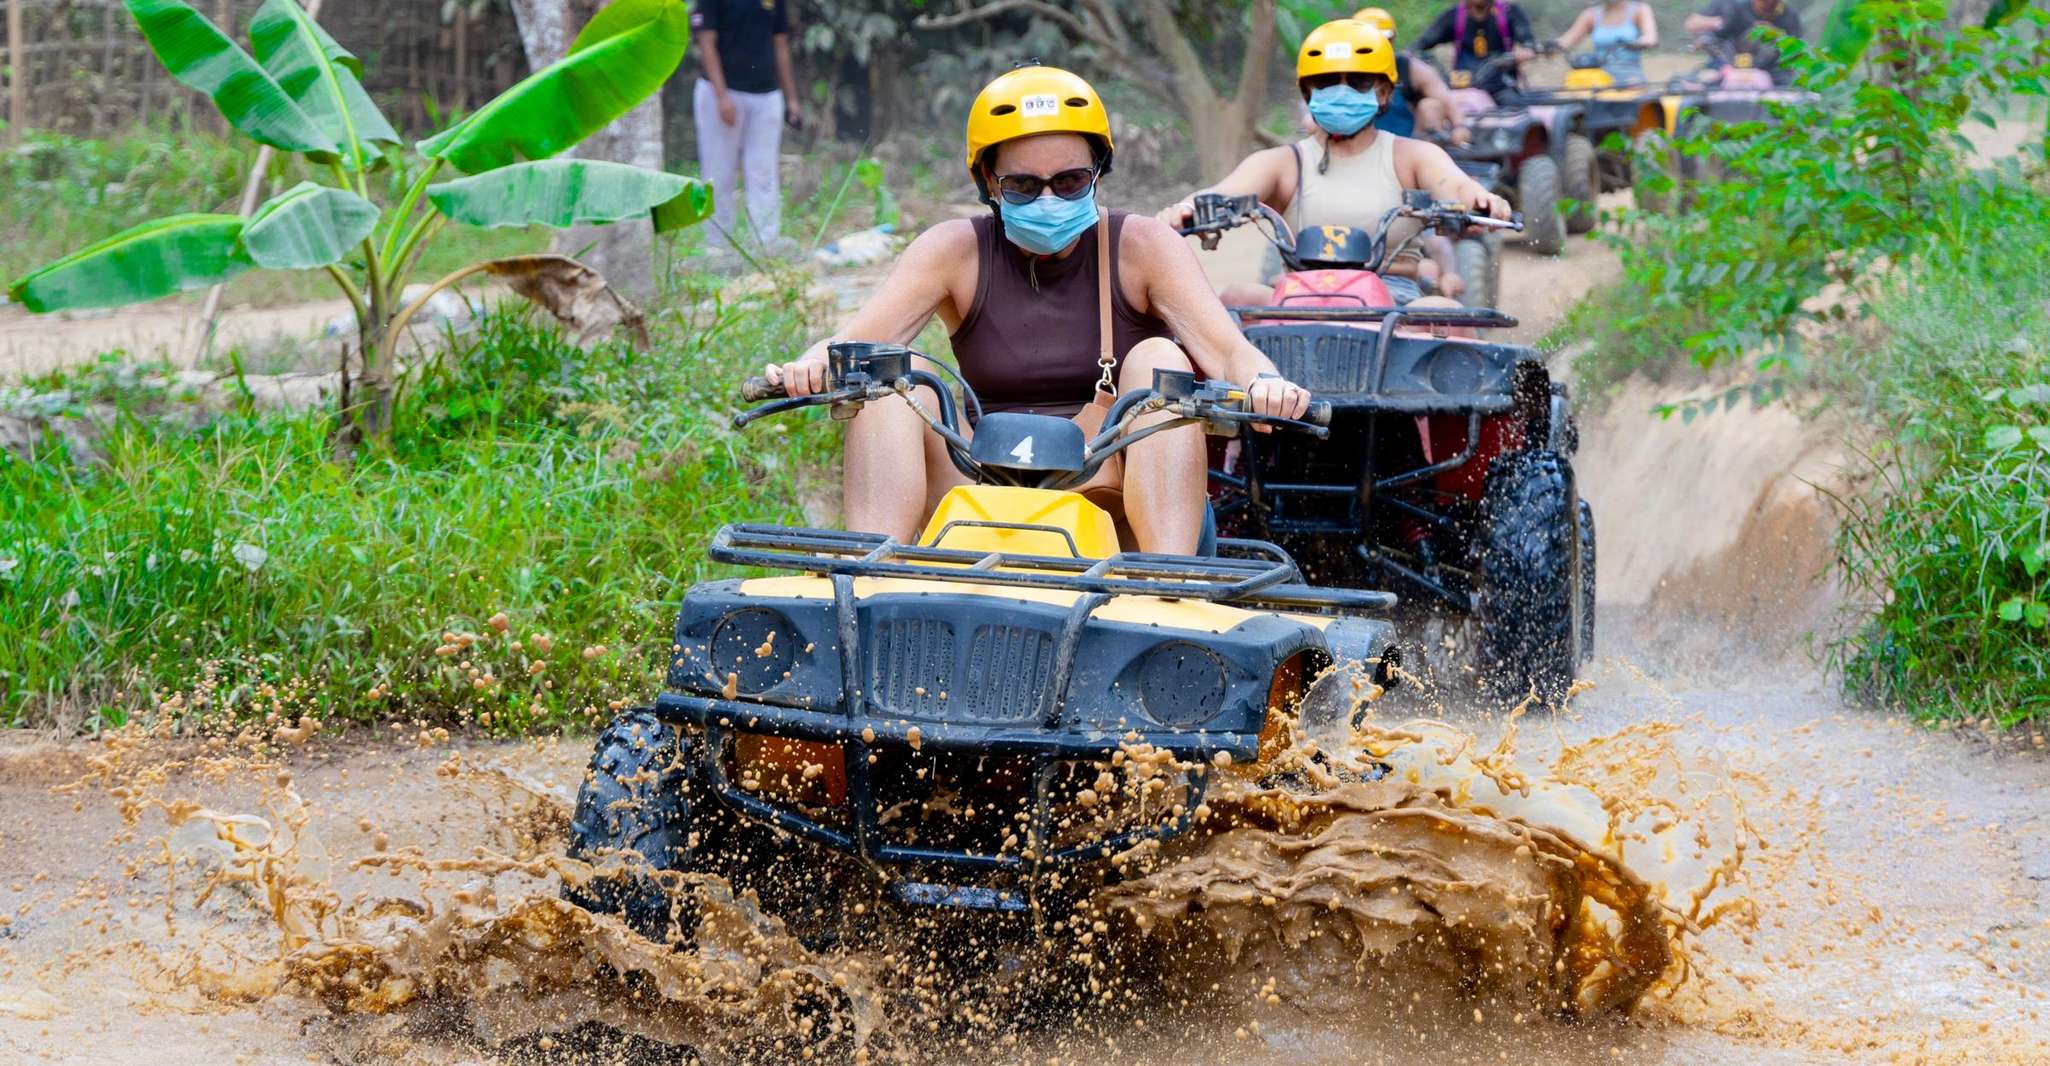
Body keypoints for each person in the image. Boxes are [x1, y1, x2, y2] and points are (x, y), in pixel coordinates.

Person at [762, 66, 1312, 556]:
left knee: (1159, 357)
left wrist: (1264, 382)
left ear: (1097, 173)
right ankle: (870, 588)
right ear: (987, 182)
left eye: (1070, 181)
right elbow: (855, 341)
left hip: (1112, 493)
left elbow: (1227, 349)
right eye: (1024, 185)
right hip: (977, 484)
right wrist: (807, 366)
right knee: (895, 374)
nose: (1049, 200)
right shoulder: (952, 249)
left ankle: (1168, 588)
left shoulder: (1142, 245)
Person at [1157, 19, 1511, 307]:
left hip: (1395, 300)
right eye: (1327, 82)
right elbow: (1223, 193)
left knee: (1441, 311)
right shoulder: (1284, 162)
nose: (1341, 91)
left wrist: (1479, 200)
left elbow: (1454, 185)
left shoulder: (1412, 156)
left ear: (1384, 92)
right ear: (1308, 92)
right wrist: (1186, 210)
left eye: (1358, 82)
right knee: (1235, 298)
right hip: (1296, 298)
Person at [691, 0, 802, 255]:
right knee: (718, 171)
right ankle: (717, 244)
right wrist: (721, 97)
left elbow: (780, 44)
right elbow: (706, 42)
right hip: (721, 92)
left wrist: (792, 99)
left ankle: (766, 240)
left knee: (763, 172)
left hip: (766, 94)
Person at [1352, 7, 1470, 146]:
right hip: (1356, 144)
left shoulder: (1408, 68)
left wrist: (1459, 127)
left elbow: (1446, 98)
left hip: (1405, 144)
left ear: (1392, 39)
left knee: (1431, 106)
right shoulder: (1343, 71)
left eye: (1383, 41)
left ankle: (1427, 159)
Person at [1413, 0, 1539, 97]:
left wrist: (1521, 54)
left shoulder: (1510, 13)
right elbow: (1422, 43)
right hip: (1462, 87)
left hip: (1500, 87)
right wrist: (1412, 57)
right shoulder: (1453, 16)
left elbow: (1528, 44)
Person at [1684, 0, 1803, 84]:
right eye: (1764, 1)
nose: (1769, 3)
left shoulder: (1789, 16)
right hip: (1729, 67)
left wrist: (1776, 35)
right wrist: (1711, 31)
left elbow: (1796, 51)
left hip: (1771, 72)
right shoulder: (1736, 9)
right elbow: (1695, 26)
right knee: (1701, 81)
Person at [1555, 0, 1659, 84]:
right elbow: (1565, 41)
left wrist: (1641, 42)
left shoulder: (1640, 9)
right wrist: (1546, 47)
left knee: (1634, 95)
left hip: (1628, 73)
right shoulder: (1590, 15)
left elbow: (1650, 36)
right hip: (1598, 73)